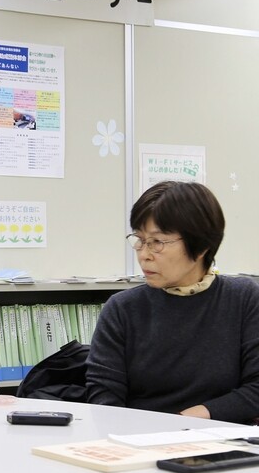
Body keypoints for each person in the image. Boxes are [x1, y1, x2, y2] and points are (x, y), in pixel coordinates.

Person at [86, 180, 259, 424]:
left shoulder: (243, 298)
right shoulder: (122, 309)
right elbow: (103, 401)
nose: (144, 254)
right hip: (138, 443)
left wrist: (190, 419)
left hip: (225, 444)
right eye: (139, 239)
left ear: (201, 247)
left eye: (157, 242)